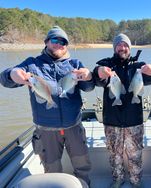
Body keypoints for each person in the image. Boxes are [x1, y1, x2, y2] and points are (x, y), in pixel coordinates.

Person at [0, 26, 93, 186]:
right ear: (46, 42)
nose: (59, 44)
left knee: (82, 165)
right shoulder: (32, 64)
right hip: (46, 131)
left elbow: (88, 87)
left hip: (74, 127)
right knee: (52, 170)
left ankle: (84, 185)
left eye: (63, 41)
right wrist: (12, 74)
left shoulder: (75, 64)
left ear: (67, 46)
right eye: (55, 40)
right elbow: (5, 79)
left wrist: (89, 76)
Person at [93, 33, 151, 188]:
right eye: (119, 45)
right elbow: (97, 77)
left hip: (134, 121)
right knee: (114, 155)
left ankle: (136, 182)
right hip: (112, 121)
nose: (122, 48)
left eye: (126, 45)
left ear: (130, 48)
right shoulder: (107, 65)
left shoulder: (138, 66)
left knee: (135, 155)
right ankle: (118, 179)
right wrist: (99, 72)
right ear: (115, 47)